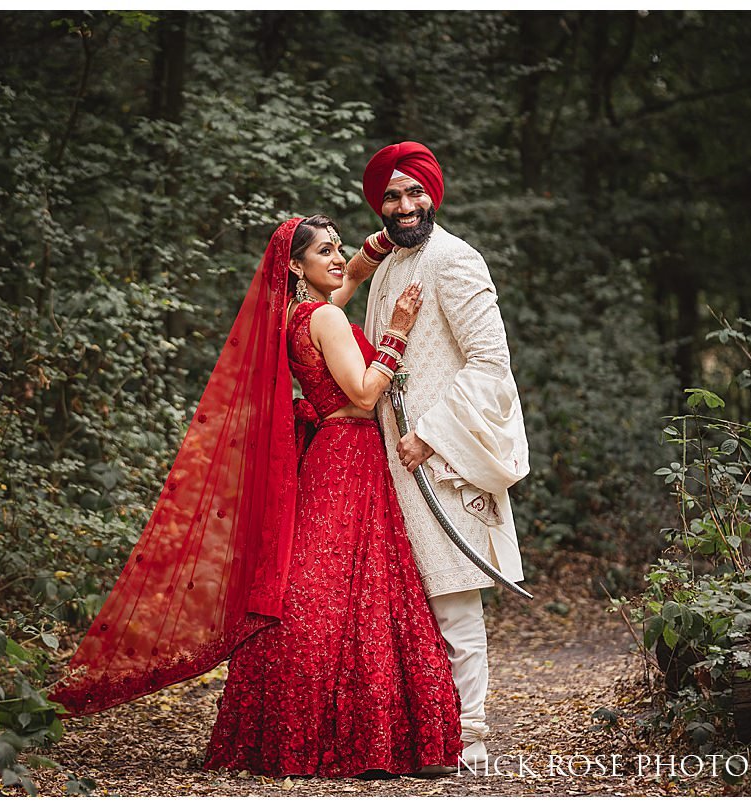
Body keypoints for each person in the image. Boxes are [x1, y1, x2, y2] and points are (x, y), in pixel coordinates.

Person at [51, 215, 463, 778]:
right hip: (349, 451)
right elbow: (366, 395)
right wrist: (396, 328)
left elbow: (347, 279)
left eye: (340, 248)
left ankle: (285, 724)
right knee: (344, 585)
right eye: (325, 251)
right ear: (296, 265)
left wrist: (376, 246)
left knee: (327, 579)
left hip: (327, 453)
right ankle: (351, 728)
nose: (338, 258)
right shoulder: (329, 318)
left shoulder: (292, 315)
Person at [341, 141, 531, 772]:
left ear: (434, 193)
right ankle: (422, 736)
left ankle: (470, 745)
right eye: (391, 196)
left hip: (439, 460)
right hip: (389, 461)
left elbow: (491, 366)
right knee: (407, 603)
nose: (404, 205)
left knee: (453, 600)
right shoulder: (394, 261)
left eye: (414, 192)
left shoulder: (455, 260)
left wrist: (431, 434)